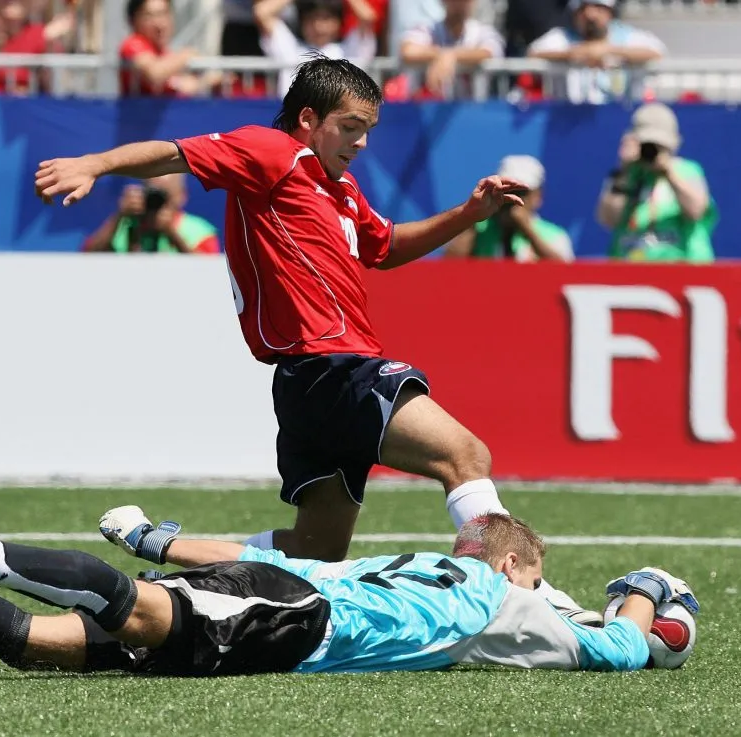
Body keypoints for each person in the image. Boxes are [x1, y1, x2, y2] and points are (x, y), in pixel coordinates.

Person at [33, 55, 591, 618]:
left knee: (314, 552)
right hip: (330, 366)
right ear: (308, 118)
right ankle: (521, 597)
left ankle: (169, 566)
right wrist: (93, 163)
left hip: (310, 381)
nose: (361, 143)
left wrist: (469, 213)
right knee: (465, 455)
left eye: (368, 130)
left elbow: (385, 247)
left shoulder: (341, 188)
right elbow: (173, 153)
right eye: (350, 127)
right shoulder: (272, 151)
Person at [0, 504, 700, 676]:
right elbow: (626, 645)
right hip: (302, 621)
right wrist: (654, 592)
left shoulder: (411, 561)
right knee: (139, 613)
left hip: (283, 587)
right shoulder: (507, 599)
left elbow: (248, 549)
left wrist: (156, 539)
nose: (547, 592)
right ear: (514, 566)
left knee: (51, 645)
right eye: (539, 575)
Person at [597, 102, 717, 263]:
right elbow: (608, 219)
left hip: (682, 268)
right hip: (630, 267)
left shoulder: (687, 170)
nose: (651, 151)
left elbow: (695, 210)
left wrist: (667, 172)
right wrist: (624, 170)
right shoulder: (626, 175)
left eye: (659, 146)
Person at [526, 0, 665, 104]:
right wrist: (574, 53)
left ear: (610, 12)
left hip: (622, 118)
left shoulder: (627, 35)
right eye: (583, 9)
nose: (590, 15)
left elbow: (657, 52)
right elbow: (533, 53)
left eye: (598, 8)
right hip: (570, 122)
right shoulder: (562, 37)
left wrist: (609, 51)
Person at [446, 155, 573, 261]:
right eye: (507, 190)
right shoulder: (480, 229)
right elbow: (449, 267)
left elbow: (565, 275)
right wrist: (474, 217)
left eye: (521, 193)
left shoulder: (554, 236)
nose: (513, 198)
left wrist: (526, 229)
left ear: (537, 196)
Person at [254, 0, 377, 98]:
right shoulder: (290, 49)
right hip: (295, 119)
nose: (318, 27)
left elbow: (367, 17)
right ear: (301, 23)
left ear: (338, 22)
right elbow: (262, 12)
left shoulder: (350, 49)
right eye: (311, 19)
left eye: (326, 19)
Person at [83, 173, 221, 254]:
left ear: (181, 196)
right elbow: (86, 260)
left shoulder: (199, 233)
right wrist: (119, 216)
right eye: (153, 194)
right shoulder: (122, 226)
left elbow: (209, 275)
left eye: (165, 196)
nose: (158, 202)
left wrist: (172, 234)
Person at [398, 0, 505, 100]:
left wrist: (452, 56)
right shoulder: (428, 29)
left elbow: (489, 52)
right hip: (430, 108)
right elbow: (408, 51)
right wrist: (442, 55)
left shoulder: (483, 32)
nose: (459, 3)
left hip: (475, 109)